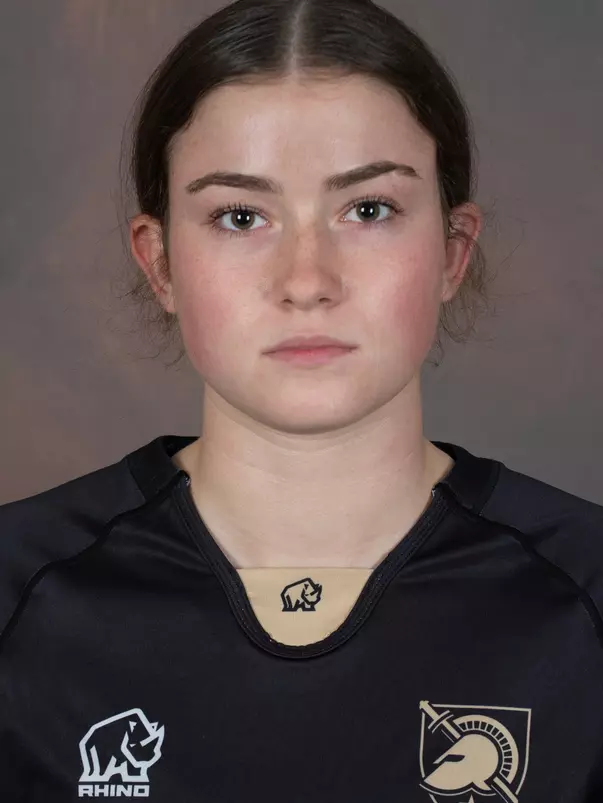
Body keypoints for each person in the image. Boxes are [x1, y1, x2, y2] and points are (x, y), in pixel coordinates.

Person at [1, 0, 602, 800]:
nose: (307, 280)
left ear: (452, 253)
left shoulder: (584, 591)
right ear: (160, 263)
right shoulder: (19, 588)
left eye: (368, 209)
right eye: (240, 216)